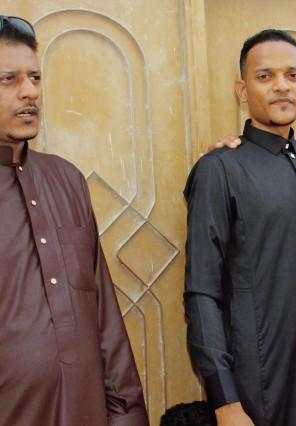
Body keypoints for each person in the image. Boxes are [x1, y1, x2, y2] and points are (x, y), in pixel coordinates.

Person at [183, 29, 296, 426]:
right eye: (265, 76)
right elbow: (201, 292)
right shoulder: (218, 169)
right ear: (242, 90)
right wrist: (225, 400)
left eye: (292, 75)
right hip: (260, 387)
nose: (281, 86)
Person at [0, 16, 148, 426]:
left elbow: (105, 320)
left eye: (35, 78)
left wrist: (127, 415)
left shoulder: (66, 180)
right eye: (8, 79)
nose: (30, 92)